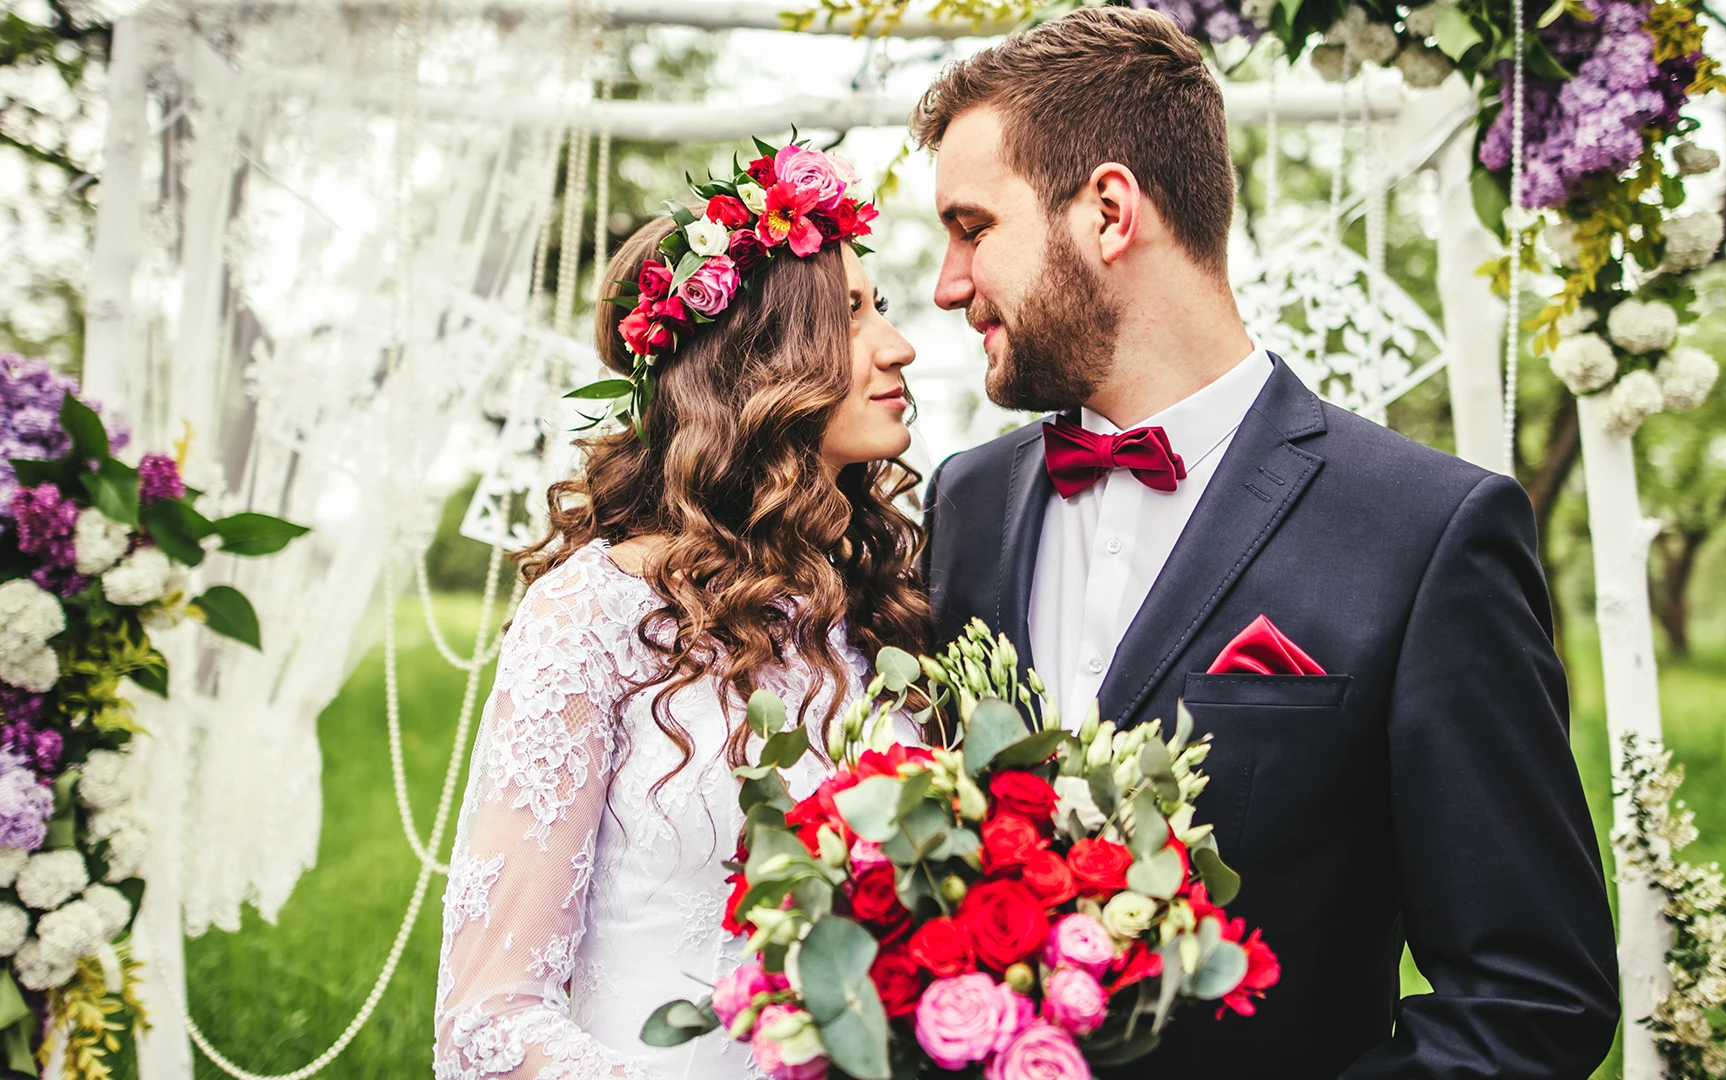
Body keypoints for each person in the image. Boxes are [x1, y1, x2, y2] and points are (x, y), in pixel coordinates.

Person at [913, 8, 1621, 1079]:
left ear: (1110, 211)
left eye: (973, 229)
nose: (949, 283)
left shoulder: (1428, 531)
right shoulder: (965, 506)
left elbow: (1532, 999)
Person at [432, 148, 925, 1079]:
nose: (896, 346)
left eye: (881, 308)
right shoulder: (593, 613)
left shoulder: (878, 600)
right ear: (757, 365)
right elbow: (489, 1018)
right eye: (852, 316)